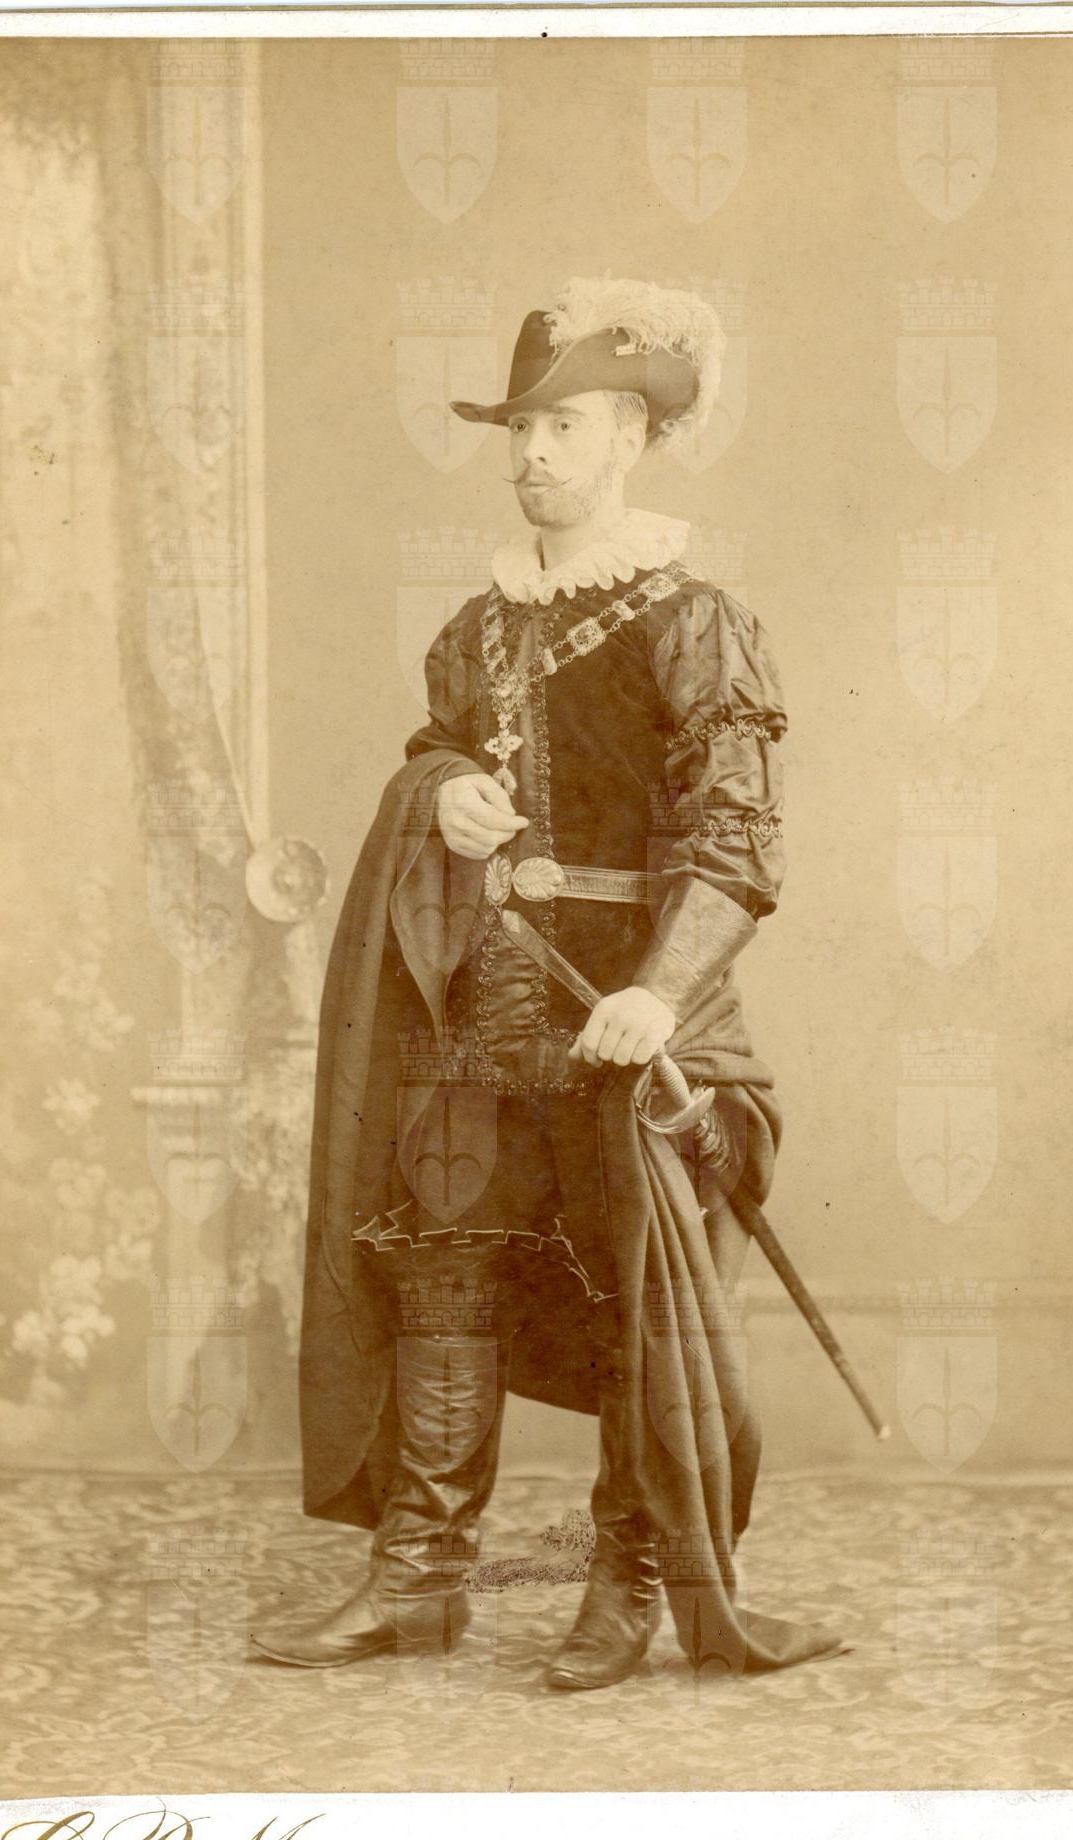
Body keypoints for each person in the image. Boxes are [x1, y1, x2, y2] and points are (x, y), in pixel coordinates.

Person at [252, 277, 841, 1689]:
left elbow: (737, 841)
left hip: (635, 1015)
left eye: (563, 425)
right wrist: (446, 786)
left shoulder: (696, 621)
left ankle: (627, 1585)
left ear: (633, 437)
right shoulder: (476, 629)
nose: (531, 453)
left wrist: (658, 995)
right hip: (485, 1013)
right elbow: (439, 750)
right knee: (443, 1270)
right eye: (519, 428)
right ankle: (418, 1578)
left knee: (637, 1290)